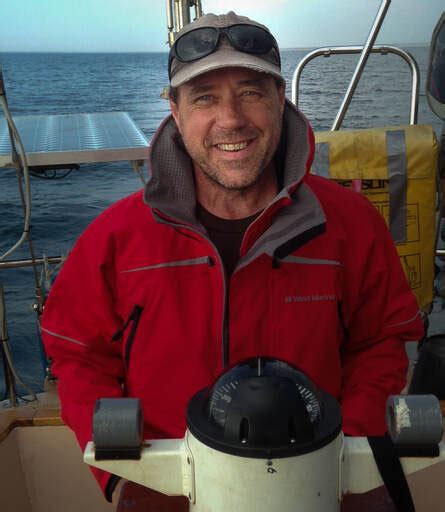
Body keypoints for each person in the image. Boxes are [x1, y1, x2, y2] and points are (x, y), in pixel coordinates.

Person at [41, 11, 424, 510]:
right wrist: (125, 476)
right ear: (175, 111)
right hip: (169, 491)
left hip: (319, 485)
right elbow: (78, 354)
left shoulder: (351, 225)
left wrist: (343, 456)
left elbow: (381, 343)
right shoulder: (114, 238)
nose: (231, 119)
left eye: (250, 92)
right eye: (204, 97)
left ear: (280, 100)